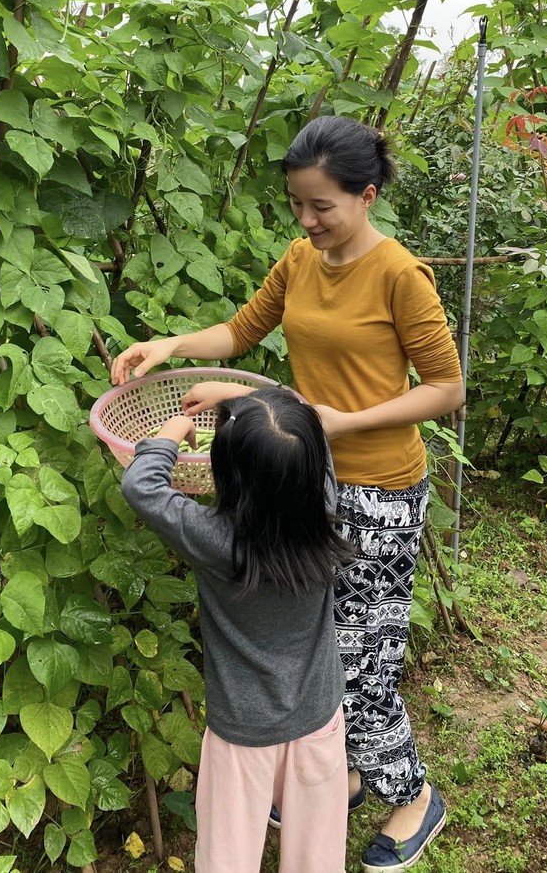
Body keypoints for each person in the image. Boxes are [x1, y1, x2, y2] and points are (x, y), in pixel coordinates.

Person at [112, 115, 465, 872]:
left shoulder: (401, 275)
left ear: (366, 195)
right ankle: (341, 769)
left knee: (356, 659)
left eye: (322, 207)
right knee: (323, 649)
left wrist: (345, 419)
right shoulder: (303, 259)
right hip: (304, 476)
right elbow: (241, 330)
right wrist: (172, 344)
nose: (307, 222)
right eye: (297, 206)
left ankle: (412, 796)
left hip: (376, 486)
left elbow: (447, 388)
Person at [121, 386, 352, 873]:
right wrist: (240, 397)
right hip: (317, 717)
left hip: (242, 730)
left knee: (228, 856)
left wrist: (173, 432)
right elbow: (302, 413)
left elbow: (141, 486)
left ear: (227, 478)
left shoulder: (215, 538)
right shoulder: (323, 512)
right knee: (318, 855)